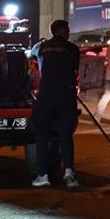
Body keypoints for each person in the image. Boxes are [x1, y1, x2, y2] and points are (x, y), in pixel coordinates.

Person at [31, 19, 81, 189]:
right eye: (67, 30)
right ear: (63, 31)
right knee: (65, 134)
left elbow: (33, 59)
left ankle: (43, 175)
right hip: (66, 95)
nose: (68, 33)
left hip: (46, 95)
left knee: (42, 134)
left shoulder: (41, 47)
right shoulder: (72, 49)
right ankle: (69, 173)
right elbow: (75, 73)